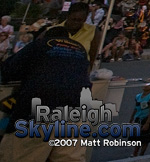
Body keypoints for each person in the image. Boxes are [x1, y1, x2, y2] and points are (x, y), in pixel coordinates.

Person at [0, 26, 92, 161]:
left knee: (20, 156)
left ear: (44, 37)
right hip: (77, 115)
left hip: (39, 113)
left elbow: (8, 71)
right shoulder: (80, 49)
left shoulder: (39, 45)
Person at [131, 76, 150, 156]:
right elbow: (136, 108)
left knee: (145, 139)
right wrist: (131, 119)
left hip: (148, 119)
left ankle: (141, 153)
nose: (146, 84)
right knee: (137, 137)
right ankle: (135, 152)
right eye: (146, 82)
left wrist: (147, 123)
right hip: (139, 118)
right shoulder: (138, 96)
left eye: (149, 84)